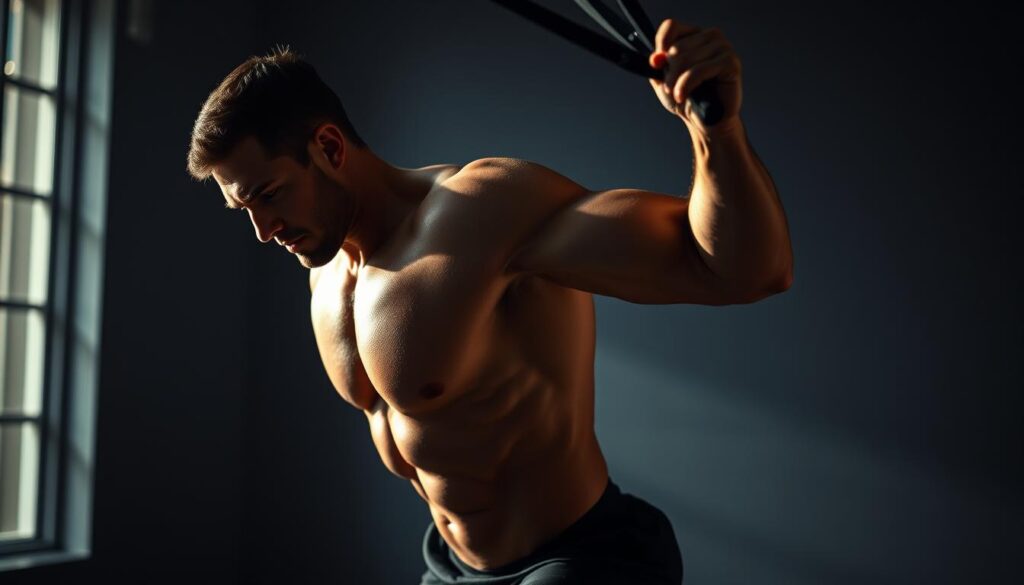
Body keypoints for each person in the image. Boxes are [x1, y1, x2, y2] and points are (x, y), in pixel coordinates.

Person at [187, 18, 792, 585]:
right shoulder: (324, 275)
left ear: (329, 147)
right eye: (244, 209)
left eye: (270, 194)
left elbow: (741, 270)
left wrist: (715, 131)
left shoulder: (481, 212)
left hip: (580, 558)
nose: (263, 230)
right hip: (453, 565)